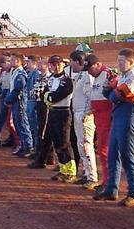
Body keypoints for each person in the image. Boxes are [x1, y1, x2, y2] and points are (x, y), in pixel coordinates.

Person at [94, 48, 134, 207]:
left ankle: (133, 193)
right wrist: (110, 91)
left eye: (121, 61)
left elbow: (114, 97)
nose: (119, 64)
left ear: (131, 62)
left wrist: (110, 90)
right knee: (112, 153)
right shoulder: (123, 76)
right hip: (119, 115)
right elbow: (109, 93)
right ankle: (111, 189)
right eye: (118, 61)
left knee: (127, 155)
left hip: (129, 116)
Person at [84, 54, 116, 193]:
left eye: (90, 68)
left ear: (98, 64)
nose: (89, 71)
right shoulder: (96, 76)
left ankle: (109, 181)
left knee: (105, 150)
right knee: (102, 150)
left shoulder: (108, 74)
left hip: (107, 119)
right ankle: (106, 179)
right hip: (99, 117)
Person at [43, 55, 76, 183]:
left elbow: (60, 94)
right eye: (53, 64)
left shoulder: (66, 80)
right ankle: (63, 169)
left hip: (63, 112)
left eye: (58, 64)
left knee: (64, 142)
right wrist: (49, 97)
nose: (55, 67)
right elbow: (44, 94)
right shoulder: (50, 79)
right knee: (56, 142)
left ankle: (71, 171)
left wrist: (49, 97)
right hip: (52, 112)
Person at [70, 50, 98, 189]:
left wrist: (86, 113)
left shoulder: (87, 76)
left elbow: (90, 95)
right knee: (81, 146)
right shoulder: (81, 75)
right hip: (78, 113)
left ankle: (92, 177)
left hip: (84, 115)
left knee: (86, 145)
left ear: (76, 61)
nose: (70, 64)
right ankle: (86, 173)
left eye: (71, 61)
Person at [27, 56, 54, 169]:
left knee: (43, 131)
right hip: (39, 104)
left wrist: (35, 93)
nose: (39, 65)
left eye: (41, 63)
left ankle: (46, 156)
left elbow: (38, 92)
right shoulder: (40, 76)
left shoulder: (47, 78)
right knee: (40, 130)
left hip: (44, 106)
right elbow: (33, 92)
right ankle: (42, 154)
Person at [5, 53, 33, 157]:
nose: (10, 62)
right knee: (17, 124)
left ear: (17, 61)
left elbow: (18, 88)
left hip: (19, 101)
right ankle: (22, 145)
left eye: (12, 60)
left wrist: (8, 99)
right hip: (16, 101)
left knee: (22, 124)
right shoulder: (15, 72)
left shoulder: (20, 74)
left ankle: (28, 147)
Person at [0, 53, 19, 149]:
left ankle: (16, 140)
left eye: (3, 65)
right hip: (3, 97)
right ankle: (3, 137)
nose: (2, 67)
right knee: (2, 118)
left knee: (11, 121)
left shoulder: (14, 72)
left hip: (10, 97)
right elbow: (0, 84)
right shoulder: (4, 73)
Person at [25, 55, 41, 150]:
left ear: (34, 63)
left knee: (34, 125)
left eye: (29, 62)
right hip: (29, 100)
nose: (27, 64)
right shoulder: (30, 73)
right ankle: (35, 146)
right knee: (31, 124)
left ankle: (36, 147)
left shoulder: (36, 74)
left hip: (33, 101)